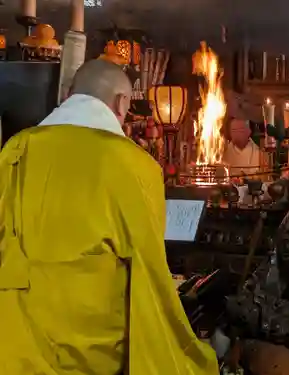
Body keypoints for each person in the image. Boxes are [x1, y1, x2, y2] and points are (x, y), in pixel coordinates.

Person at [0, 59, 218, 374]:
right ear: (121, 103)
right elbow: (148, 271)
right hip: (90, 348)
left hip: (14, 340)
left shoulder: (15, 150)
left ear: (68, 95)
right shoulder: (133, 164)